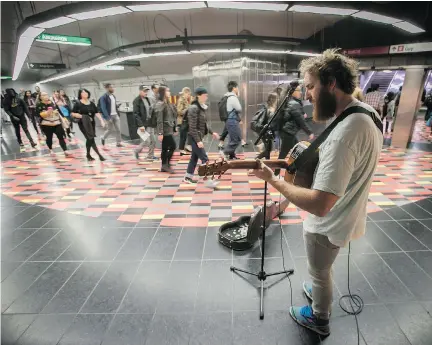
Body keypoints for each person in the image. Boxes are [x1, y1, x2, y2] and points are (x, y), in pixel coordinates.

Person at [252, 49, 382, 336]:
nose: (307, 94)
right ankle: (319, 287)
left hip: (328, 223)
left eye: (310, 86)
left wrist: (273, 179)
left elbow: (320, 204)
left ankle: (319, 318)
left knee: (320, 271)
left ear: (331, 83)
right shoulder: (366, 114)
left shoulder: (345, 132)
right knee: (323, 269)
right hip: (349, 211)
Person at [274, 84, 314, 176]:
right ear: (292, 92)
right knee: (285, 154)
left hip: (288, 132)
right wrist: (309, 132)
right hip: (289, 133)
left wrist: (302, 114)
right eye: (298, 91)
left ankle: (293, 170)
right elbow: (300, 120)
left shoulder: (291, 102)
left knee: (297, 151)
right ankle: (277, 173)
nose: (300, 92)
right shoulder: (294, 103)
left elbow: (298, 115)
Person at [183, 86, 219, 184]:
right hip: (194, 138)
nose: (206, 97)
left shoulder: (200, 108)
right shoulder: (193, 108)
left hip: (197, 137)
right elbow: (192, 127)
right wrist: (198, 141)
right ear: (198, 96)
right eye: (204, 95)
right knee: (205, 159)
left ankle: (187, 177)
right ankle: (209, 181)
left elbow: (204, 124)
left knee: (194, 158)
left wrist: (212, 133)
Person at [72, 89, 105, 161]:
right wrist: (82, 116)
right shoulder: (78, 103)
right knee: (90, 138)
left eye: (85, 92)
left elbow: (96, 112)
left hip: (92, 123)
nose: (85, 93)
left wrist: (101, 120)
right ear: (80, 94)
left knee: (90, 139)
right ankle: (99, 155)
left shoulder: (91, 103)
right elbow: (73, 113)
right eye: (82, 92)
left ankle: (88, 154)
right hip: (83, 123)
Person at [36, 91, 69, 156]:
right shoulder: (39, 105)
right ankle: (50, 149)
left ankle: (65, 150)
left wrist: (64, 118)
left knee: (61, 137)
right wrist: (47, 112)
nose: (46, 96)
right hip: (46, 124)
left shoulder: (52, 102)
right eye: (44, 95)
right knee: (49, 138)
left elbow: (59, 110)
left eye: (46, 94)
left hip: (57, 123)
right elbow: (38, 115)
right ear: (40, 97)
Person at [156, 85, 177, 173]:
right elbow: (159, 119)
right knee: (173, 146)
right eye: (167, 91)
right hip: (165, 130)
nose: (169, 92)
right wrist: (160, 133)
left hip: (169, 128)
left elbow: (172, 116)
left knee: (165, 148)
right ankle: (166, 164)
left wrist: (174, 128)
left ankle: (164, 165)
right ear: (163, 93)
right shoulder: (161, 104)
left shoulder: (168, 103)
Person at [133, 85, 157, 161]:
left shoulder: (148, 99)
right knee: (147, 141)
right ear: (140, 91)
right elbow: (136, 114)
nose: (146, 93)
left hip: (149, 124)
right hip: (142, 125)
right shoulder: (136, 101)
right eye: (144, 91)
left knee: (153, 141)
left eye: (146, 91)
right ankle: (136, 151)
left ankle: (150, 156)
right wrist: (140, 125)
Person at [222, 81, 242, 160]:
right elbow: (239, 109)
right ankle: (225, 152)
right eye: (237, 87)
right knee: (237, 139)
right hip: (232, 120)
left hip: (229, 120)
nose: (238, 89)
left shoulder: (228, 97)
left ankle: (231, 155)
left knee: (232, 139)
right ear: (234, 88)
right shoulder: (233, 97)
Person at [256, 92, 278, 160]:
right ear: (273, 100)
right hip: (266, 132)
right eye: (277, 98)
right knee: (268, 150)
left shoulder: (270, 108)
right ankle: (256, 159)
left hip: (267, 132)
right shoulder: (270, 109)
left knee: (268, 150)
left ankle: (265, 162)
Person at [177, 86, 193, 156]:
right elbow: (179, 111)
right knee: (183, 136)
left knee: (189, 133)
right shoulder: (181, 100)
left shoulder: (186, 100)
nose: (189, 96)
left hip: (186, 120)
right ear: (185, 93)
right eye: (188, 94)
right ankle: (181, 149)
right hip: (182, 121)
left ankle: (187, 147)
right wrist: (188, 109)